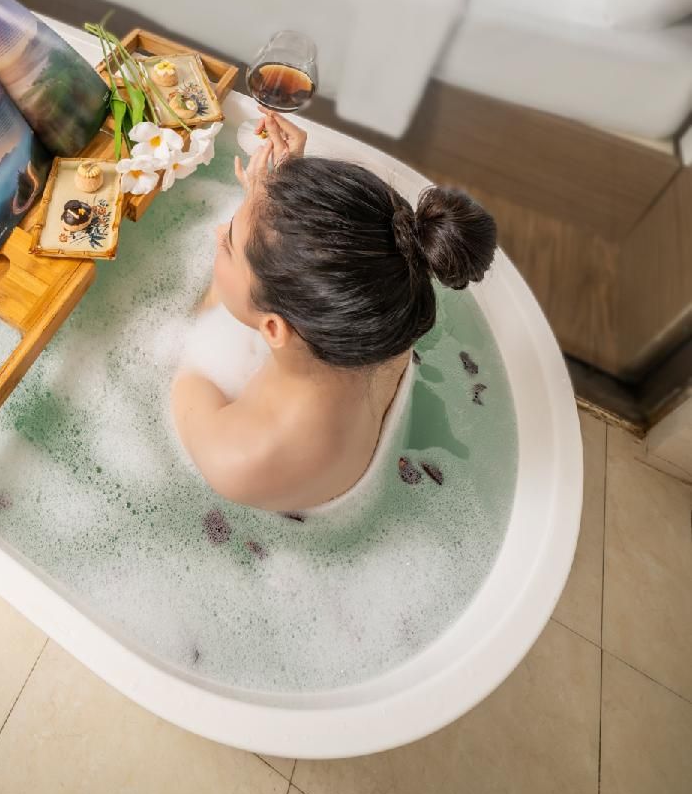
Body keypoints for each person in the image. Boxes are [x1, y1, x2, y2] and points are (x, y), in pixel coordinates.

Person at [170, 110, 497, 512]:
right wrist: (286, 203)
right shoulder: (389, 300)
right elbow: (342, 258)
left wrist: (246, 243)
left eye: (228, 243)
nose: (219, 232)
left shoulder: (239, 457)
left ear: (273, 328)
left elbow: (187, 365)